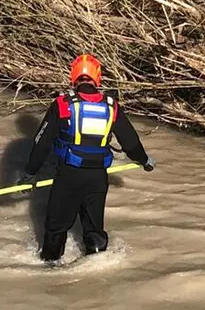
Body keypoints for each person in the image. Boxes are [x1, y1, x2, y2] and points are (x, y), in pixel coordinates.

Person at [18, 54, 155, 265]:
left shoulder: (63, 104)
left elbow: (42, 142)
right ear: (97, 78)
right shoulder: (112, 105)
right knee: (94, 228)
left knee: (56, 227)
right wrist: (144, 160)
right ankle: (98, 262)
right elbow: (130, 141)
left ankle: (49, 271)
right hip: (98, 178)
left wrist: (30, 172)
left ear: (73, 78)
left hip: (69, 175)